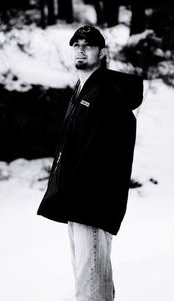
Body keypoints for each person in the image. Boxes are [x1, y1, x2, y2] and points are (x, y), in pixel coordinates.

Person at [37, 25, 143, 301]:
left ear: (103, 52)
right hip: (78, 203)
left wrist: (90, 191)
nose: (80, 49)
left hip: (92, 205)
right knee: (91, 285)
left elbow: (112, 151)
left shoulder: (106, 93)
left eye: (88, 45)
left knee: (91, 289)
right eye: (76, 44)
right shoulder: (83, 91)